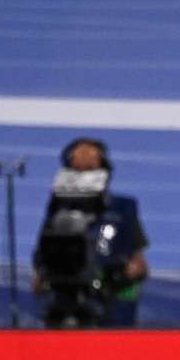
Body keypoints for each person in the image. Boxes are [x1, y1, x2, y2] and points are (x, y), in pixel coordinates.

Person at [33, 138, 149, 327]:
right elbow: (42, 250)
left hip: (112, 292)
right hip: (65, 294)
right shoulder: (58, 209)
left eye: (92, 155)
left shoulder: (123, 207)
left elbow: (137, 257)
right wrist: (41, 275)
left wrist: (132, 272)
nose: (85, 160)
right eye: (79, 155)